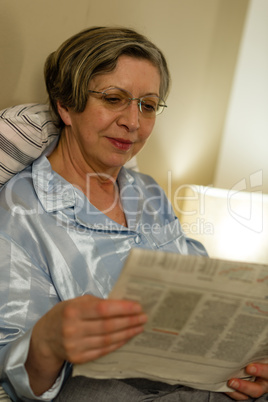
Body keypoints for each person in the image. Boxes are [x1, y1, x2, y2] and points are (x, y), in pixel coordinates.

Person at [0, 27, 267, 402]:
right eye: (113, 99)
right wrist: (47, 340)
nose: (133, 122)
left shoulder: (150, 193)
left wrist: (248, 364)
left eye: (147, 105)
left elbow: (204, 292)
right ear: (65, 105)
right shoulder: (20, 210)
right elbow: (16, 377)